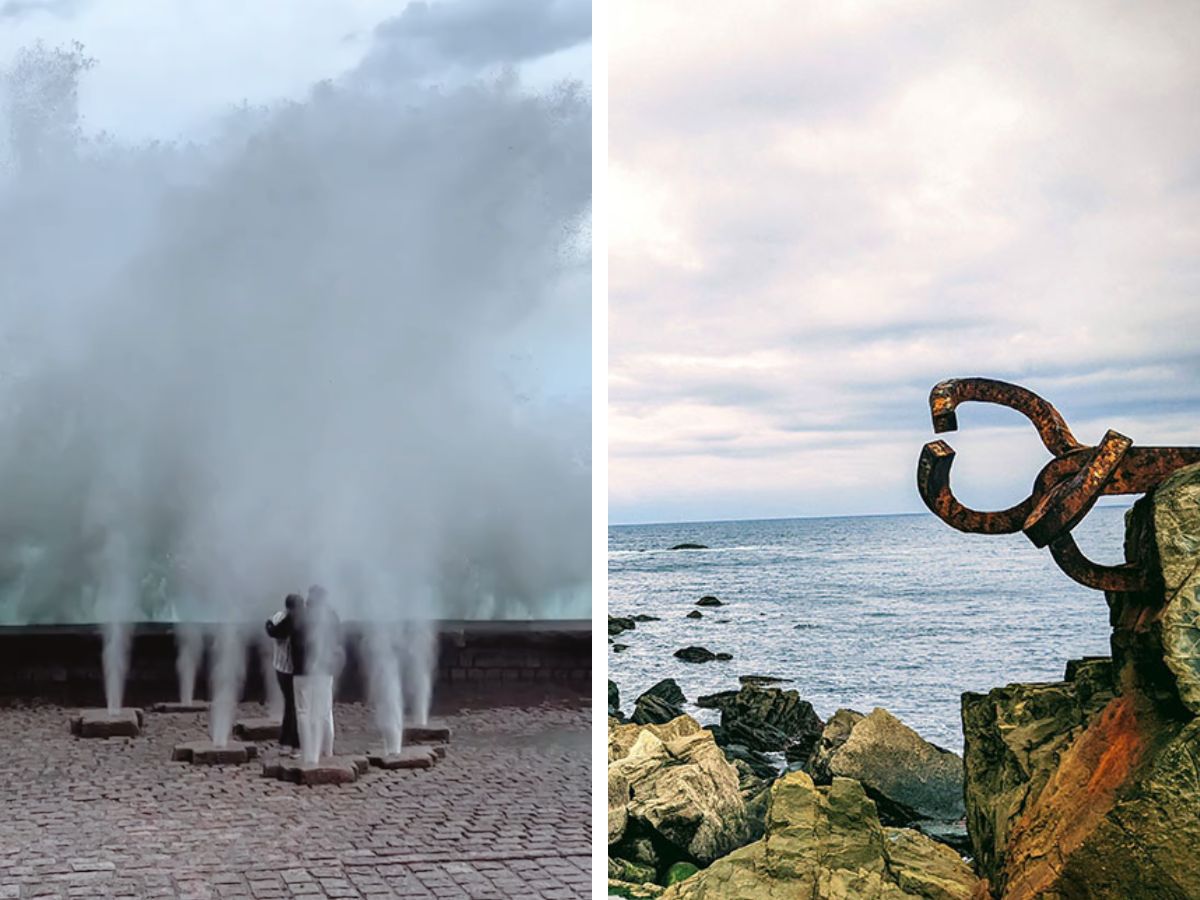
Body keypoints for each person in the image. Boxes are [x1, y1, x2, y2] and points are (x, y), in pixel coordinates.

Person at [292, 584, 342, 763]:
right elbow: (337, 640)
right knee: (325, 711)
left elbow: (280, 632)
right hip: (325, 671)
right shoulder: (332, 616)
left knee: (303, 711)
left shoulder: (300, 615)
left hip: (301, 672)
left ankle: (308, 751)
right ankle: (327, 751)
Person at [264, 594, 302, 755]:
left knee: (290, 705)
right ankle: (293, 744)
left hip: (279, 667)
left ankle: (286, 742)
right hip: (293, 669)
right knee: (294, 706)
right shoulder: (296, 622)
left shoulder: (278, 617)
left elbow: (270, 626)